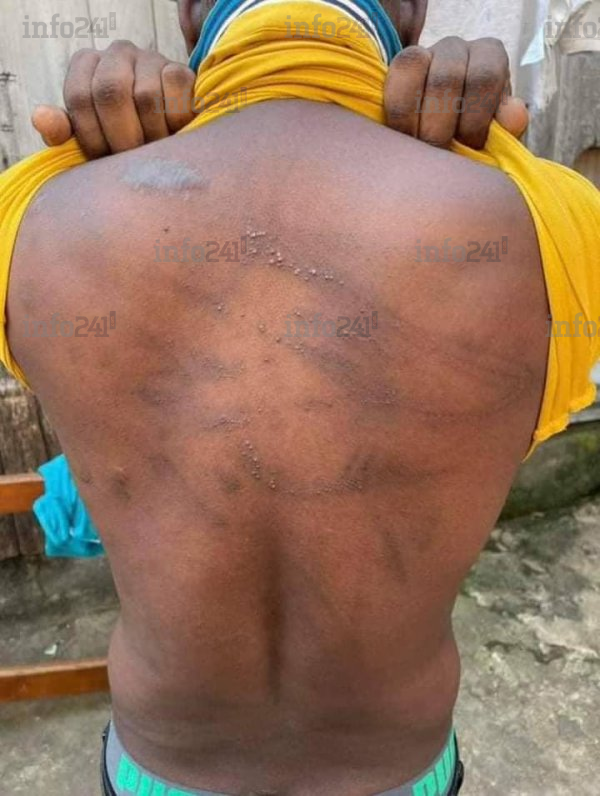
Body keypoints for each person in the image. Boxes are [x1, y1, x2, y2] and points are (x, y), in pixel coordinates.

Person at [1, 1, 598, 795]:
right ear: (415, 15)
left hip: (161, 768)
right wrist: (505, 163)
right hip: (397, 769)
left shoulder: (34, 217)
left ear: (188, 18)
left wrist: (75, 163)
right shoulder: (552, 225)